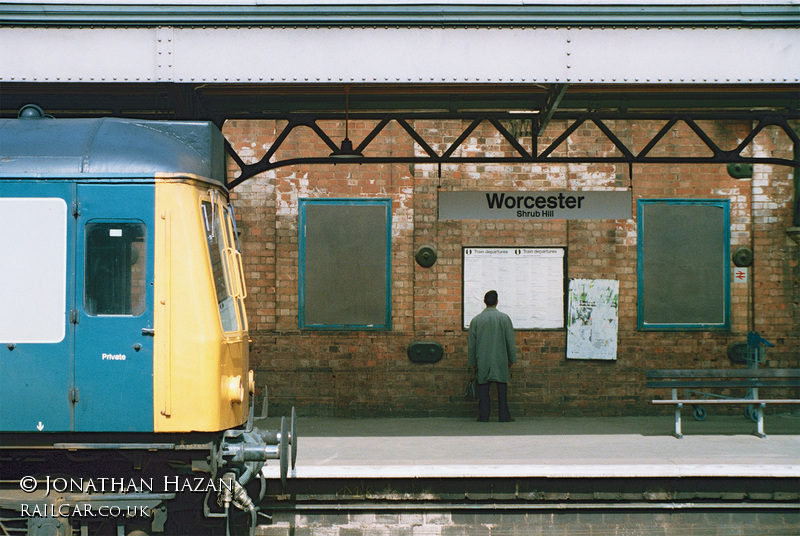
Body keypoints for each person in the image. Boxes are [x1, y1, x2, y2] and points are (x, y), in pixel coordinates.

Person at [468, 290, 517, 422]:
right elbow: (510, 341)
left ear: (484, 302)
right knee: (502, 389)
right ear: (496, 302)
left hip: (482, 359)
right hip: (500, 358)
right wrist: (512, 359)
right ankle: (504, 415)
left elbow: (472, 345)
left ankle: (484, 416)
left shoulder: (476, 320)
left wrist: (473, 362)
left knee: (483, 388)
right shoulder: (504, 318)